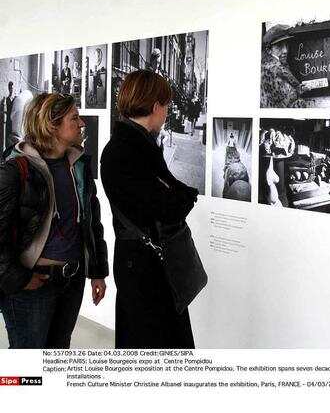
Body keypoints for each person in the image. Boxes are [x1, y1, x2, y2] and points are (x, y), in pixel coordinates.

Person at [0, 93, 108, 348]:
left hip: (71, 282)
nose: (82, 123)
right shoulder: (16, 168)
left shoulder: (78, 165)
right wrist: (19, 279)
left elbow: (91, 221)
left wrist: (97, 271)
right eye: (74, 118)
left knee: (58, 355)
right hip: (32, 286)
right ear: (51, 125)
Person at [100, 69, 199, 348]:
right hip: (145, 265)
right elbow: (167, 206)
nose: (167, 112)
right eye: (166, 106)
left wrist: (179, 195)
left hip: (142, 260)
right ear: (155, 107)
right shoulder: (129, 150)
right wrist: (184, 196)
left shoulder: (131, 145)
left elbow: (167, 194)